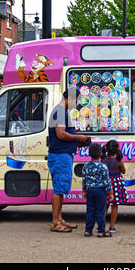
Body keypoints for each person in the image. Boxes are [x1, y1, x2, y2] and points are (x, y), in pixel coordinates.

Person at [48, 88, 89, 233]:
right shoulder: (59, 111)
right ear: (70, 98)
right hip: (60, 155)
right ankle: (55, 222)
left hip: (63, 155)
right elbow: (61, 134)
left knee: (61, 188)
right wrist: (78, 137)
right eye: (76, 100)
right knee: (59, 189)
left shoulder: (61, 111)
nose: (76, 104)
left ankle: (59, 219)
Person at [82, 143, 114, 238]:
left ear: (89, 154)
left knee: (90, 210)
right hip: (100, 191)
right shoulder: (103, 167)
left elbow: (84, 179)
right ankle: (101, 231)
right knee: (100, 210)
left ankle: (88, 230)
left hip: (90, 190)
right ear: (101, 154)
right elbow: (107, 181)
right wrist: (111, 192)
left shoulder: (86, 166)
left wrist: (84, 191)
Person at [102, 140, 128, 233]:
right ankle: (112, 227)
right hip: (116, 185)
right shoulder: (118, 161)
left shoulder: (103, 160)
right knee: (114, 206)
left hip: (105, 184)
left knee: (104, 206)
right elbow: (124, 171)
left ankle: (101, 226)